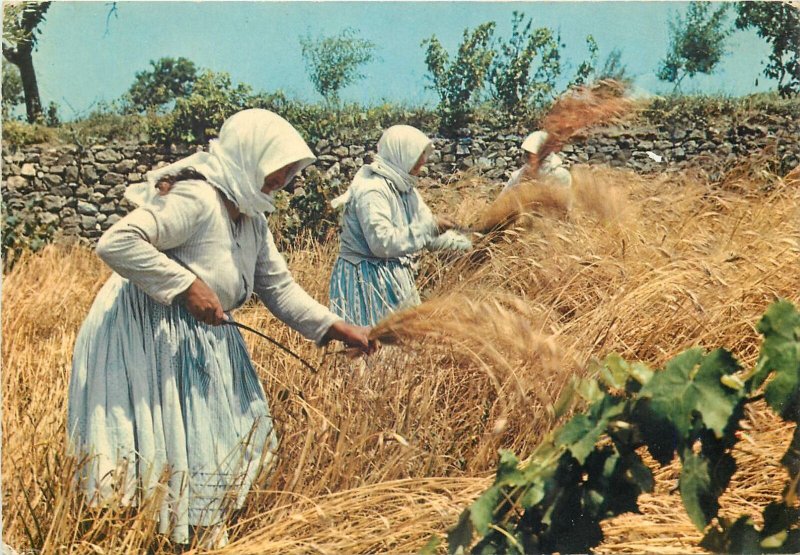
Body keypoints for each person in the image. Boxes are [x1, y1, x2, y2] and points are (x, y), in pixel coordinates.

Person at [67, 109, 374, 547]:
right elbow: (116, 242)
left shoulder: (251, 217)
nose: (283, 179)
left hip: (201, 335)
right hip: (147, 334)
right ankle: (172, 537)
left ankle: (201, 534)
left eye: (289, 172)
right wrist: (185, 283)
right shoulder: (196, 199)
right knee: (174, 446)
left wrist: (337, 327)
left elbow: (279, 290)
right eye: (277, 167)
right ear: (249, 157)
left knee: (220, 439)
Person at [328, 125, 468, 327]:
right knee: (371, 347)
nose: (422, 162)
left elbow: (428, 234)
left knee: (404, 348)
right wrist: (429, 227)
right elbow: (382, 243)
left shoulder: (405, 188)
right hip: (364, 281)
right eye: (418, 155)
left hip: (392, 279)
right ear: (402, 153)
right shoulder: (372, 190)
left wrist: (468, 245)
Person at [501, 130, 572, 195]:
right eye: (528, 154)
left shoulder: (561, 175)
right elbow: (500, 202)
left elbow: (566, 204)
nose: (530, 158)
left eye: (534, 154)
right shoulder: (518, 176)